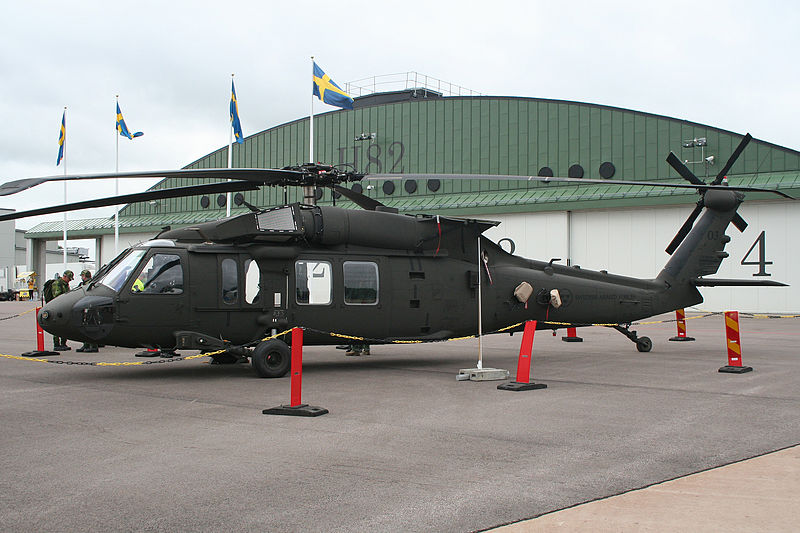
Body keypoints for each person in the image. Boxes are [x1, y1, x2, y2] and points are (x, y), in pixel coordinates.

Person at [46, 270, 73, 351]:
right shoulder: (57, 284)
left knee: (65, 326)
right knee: (57, 326)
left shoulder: (65, 284)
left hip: (64, 307)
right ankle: (56, 344)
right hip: (57, 308)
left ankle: (63, 343)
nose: (69, 280)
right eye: (69, 278)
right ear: (64, 276)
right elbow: (57, 296)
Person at [76, 270, 99, 353]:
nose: (82, 277)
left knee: (91, 326)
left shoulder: (91, 284)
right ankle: (86, 344)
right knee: (85, 326)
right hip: (85, 308)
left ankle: (93, 345)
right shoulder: (84, 284)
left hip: (91, 309)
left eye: (82, 276)